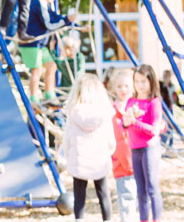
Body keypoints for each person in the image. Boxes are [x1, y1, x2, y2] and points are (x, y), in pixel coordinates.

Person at [61, 73, 116, 220]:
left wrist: (68, 155)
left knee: (79, 195)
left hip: (80, 161)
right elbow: (110, 139)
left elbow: (67, 139)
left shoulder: (73, 113)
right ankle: (108, 219)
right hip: (99, 160)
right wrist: (110, 151)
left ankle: (79, 219)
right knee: (104, 193)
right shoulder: (104, 113)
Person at [19, 0, 74, 103]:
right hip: (32, 43)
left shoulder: (46, 5)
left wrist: (72, 23)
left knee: (51, 66)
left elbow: (55, 18)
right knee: (36, 70)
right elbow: (49, 24)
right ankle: (33, 97)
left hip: (39, 45)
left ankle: (49, 93)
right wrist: (66, 20)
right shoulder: (38, 3)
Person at [122, 64, 164, 222]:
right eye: (137, 81)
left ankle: (157, 219)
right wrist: (127, 122)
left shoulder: (154, 102)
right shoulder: (131, 101)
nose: (140, 85)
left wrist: (134, 122)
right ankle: (144, 219)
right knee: (140, 190)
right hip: (135, 149)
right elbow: (123, 126)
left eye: (143, 81)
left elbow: (154, 130)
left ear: (151, 82)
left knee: (152, 187)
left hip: (149, 149)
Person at [108, 69, 139, 222]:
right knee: (126, 201)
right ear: (114, 88)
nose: (123, 90)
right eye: (119, 86)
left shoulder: (138, 108)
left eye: (126, 86)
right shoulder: (111, 112)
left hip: (138, 162)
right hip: (121, 164)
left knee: (140, 201)